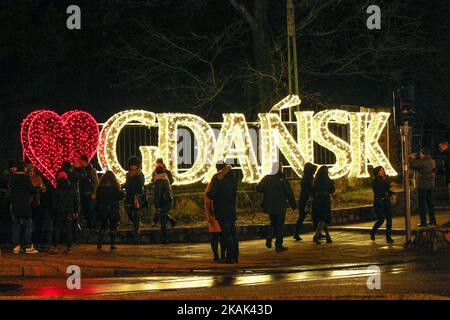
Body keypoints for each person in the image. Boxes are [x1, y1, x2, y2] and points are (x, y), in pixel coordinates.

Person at [257, 162, 296, 252]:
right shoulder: (281, 178)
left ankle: (269, 236)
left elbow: (259, 188)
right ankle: (278, 245)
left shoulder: (267, 178)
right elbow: (288, 192)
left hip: (270, 204)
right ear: (280, 168)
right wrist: (293, 204)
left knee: (273, 222)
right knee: (279, 225)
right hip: (281, 205)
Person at [206, 162, 239, 263]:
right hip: (231, 208)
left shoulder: (217, 178)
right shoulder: (233, 178)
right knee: (233, 233)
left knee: (226, 234)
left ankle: (229, 258)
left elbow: (213, 194)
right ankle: (235, 256)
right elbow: (234, 193)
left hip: (221, 209)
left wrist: (208, 193)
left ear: (217, 168)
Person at [9, 161, 38, 254]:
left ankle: (16, 246)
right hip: (25, 204)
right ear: (24, 168)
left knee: (16, 226)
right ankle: (28, 246)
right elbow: (32, 190)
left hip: (15, 204)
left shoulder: (13, 177)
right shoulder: (25, 178)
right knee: (27, 225)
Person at [51, 172, 79, 254]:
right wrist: (76, 211)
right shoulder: (72, 189)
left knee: (57, 228)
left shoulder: (57, 189)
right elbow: (75, 201)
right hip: (69, 211)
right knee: (69, 229)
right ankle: (69, 246)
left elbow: (54, 202)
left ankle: (55, 246)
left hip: (59, 211)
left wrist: (53, 211)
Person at [95, 171, 124, 250]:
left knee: (103, 225)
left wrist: (97, 209)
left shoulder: (100, 188)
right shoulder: (114, 187)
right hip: (112, 208)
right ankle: (112, 244)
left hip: (103, 208)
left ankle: (99, 243)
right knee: (113, 225)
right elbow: (119, 196)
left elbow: (97, 199)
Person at [204, 166, 226, 262]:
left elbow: (207, 203)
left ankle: (217, 255)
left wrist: (209, 216)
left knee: (215, 237)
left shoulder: (211, 186)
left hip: (214, 215)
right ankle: (222, 255)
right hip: (218, 215)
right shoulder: (224, 184)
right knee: (222, 237)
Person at [410, 148, 437, 226]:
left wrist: (412, 158)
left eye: (420, 153)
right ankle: (433, 220)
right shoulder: (432, 161)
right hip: (430, 185)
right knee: (430, 203)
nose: (420, 155)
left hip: (422, 185)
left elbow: (412, 165)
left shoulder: (422, 162)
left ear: (423, 154)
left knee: (422, 204)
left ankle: (423, 222)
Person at [370, 166, 395, 243]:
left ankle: (388, 237)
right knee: (381, 220)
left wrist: (392, 194)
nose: (383, 171)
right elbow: (380, 189)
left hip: (387, 201)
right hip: (379, 202)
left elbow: (386, 189)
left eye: (383, 170)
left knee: (389, 220)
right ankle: (373, 231)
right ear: (378, 172)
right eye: (381, 170)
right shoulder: (375, 181)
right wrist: (389, 185)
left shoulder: (385, 179)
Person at [312, 166, 335, 245]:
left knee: (322, 219)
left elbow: (313, 190)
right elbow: (332, 190)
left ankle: (328, 237)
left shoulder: (316, 180)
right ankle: (317, 235)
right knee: (323, 219)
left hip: (317, 200)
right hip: (324, 200)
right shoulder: (327, 180)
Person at [294, 162, 317, 241]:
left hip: (303, 199)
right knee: (314, 216)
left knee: (302, 217)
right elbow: (310, 188)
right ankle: (318, 232)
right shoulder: (309, 178)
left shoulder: (305, 177)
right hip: (307, 199)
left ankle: (296, 233)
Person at [74, 155, 98, 229]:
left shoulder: (91, 170)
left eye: (80, 161)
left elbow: (96, 182)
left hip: (89, 193)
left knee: (90, 211)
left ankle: (91, 227)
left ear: (84, 161)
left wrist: (94, 193)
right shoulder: (78, 170)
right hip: (81, 194)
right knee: (83, 211)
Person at [124, 156, 145, 236]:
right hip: (129, 195)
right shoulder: (128, 175)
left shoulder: (139, 174)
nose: (132, 166)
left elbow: (141, 184)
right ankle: (137, 224)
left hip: (136, 195)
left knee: (136, 212)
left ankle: (137, 228)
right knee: (129, 211)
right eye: (131, 165)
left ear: (137, 165)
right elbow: (127, 184)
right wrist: (124, 185)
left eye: (134, 165)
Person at [152, 158, 176, 228]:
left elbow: (171, 180)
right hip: (161, 194)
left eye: (159, 163)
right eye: (157, 163)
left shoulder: (167, 172)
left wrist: (167, 185)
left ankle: (156, 222)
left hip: (166, 194)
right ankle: (171, 221)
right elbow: (153, 181)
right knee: (162, 211)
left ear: (162, 163)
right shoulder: (155, 173)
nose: (158, 164)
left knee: (161, 211)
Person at [154, 164, 174, 244]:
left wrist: (157, 205)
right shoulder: (166, 178)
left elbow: (158, 194)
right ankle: (172, 221)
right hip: (169, 200)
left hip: (162, 202)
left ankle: (165, 239)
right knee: (163, 216)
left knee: (163, 222)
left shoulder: (158, 180)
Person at [28, 165, 46, 249]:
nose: (31, 172)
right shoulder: (26, 179)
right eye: (30, 171)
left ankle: (37, 241)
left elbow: (42, 187)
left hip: (37, 203)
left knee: (37, 223)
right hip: (29, 203)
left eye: (32, 170)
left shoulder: (37, 177)